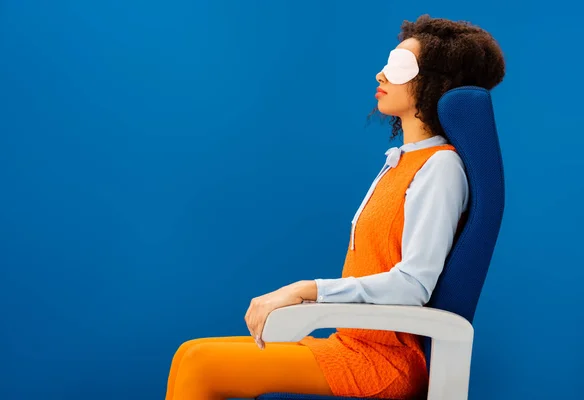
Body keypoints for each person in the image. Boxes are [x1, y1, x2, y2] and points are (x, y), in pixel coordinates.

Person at [164, 14, 505, 400]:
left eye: (398, 67)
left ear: (437, 82)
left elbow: (413, 284)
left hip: (384, 361)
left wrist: (306, 290)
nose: (380, 75)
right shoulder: (401, 162)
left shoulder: (440, 167)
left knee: (201, 366)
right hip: (351, 343)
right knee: (189, 353)